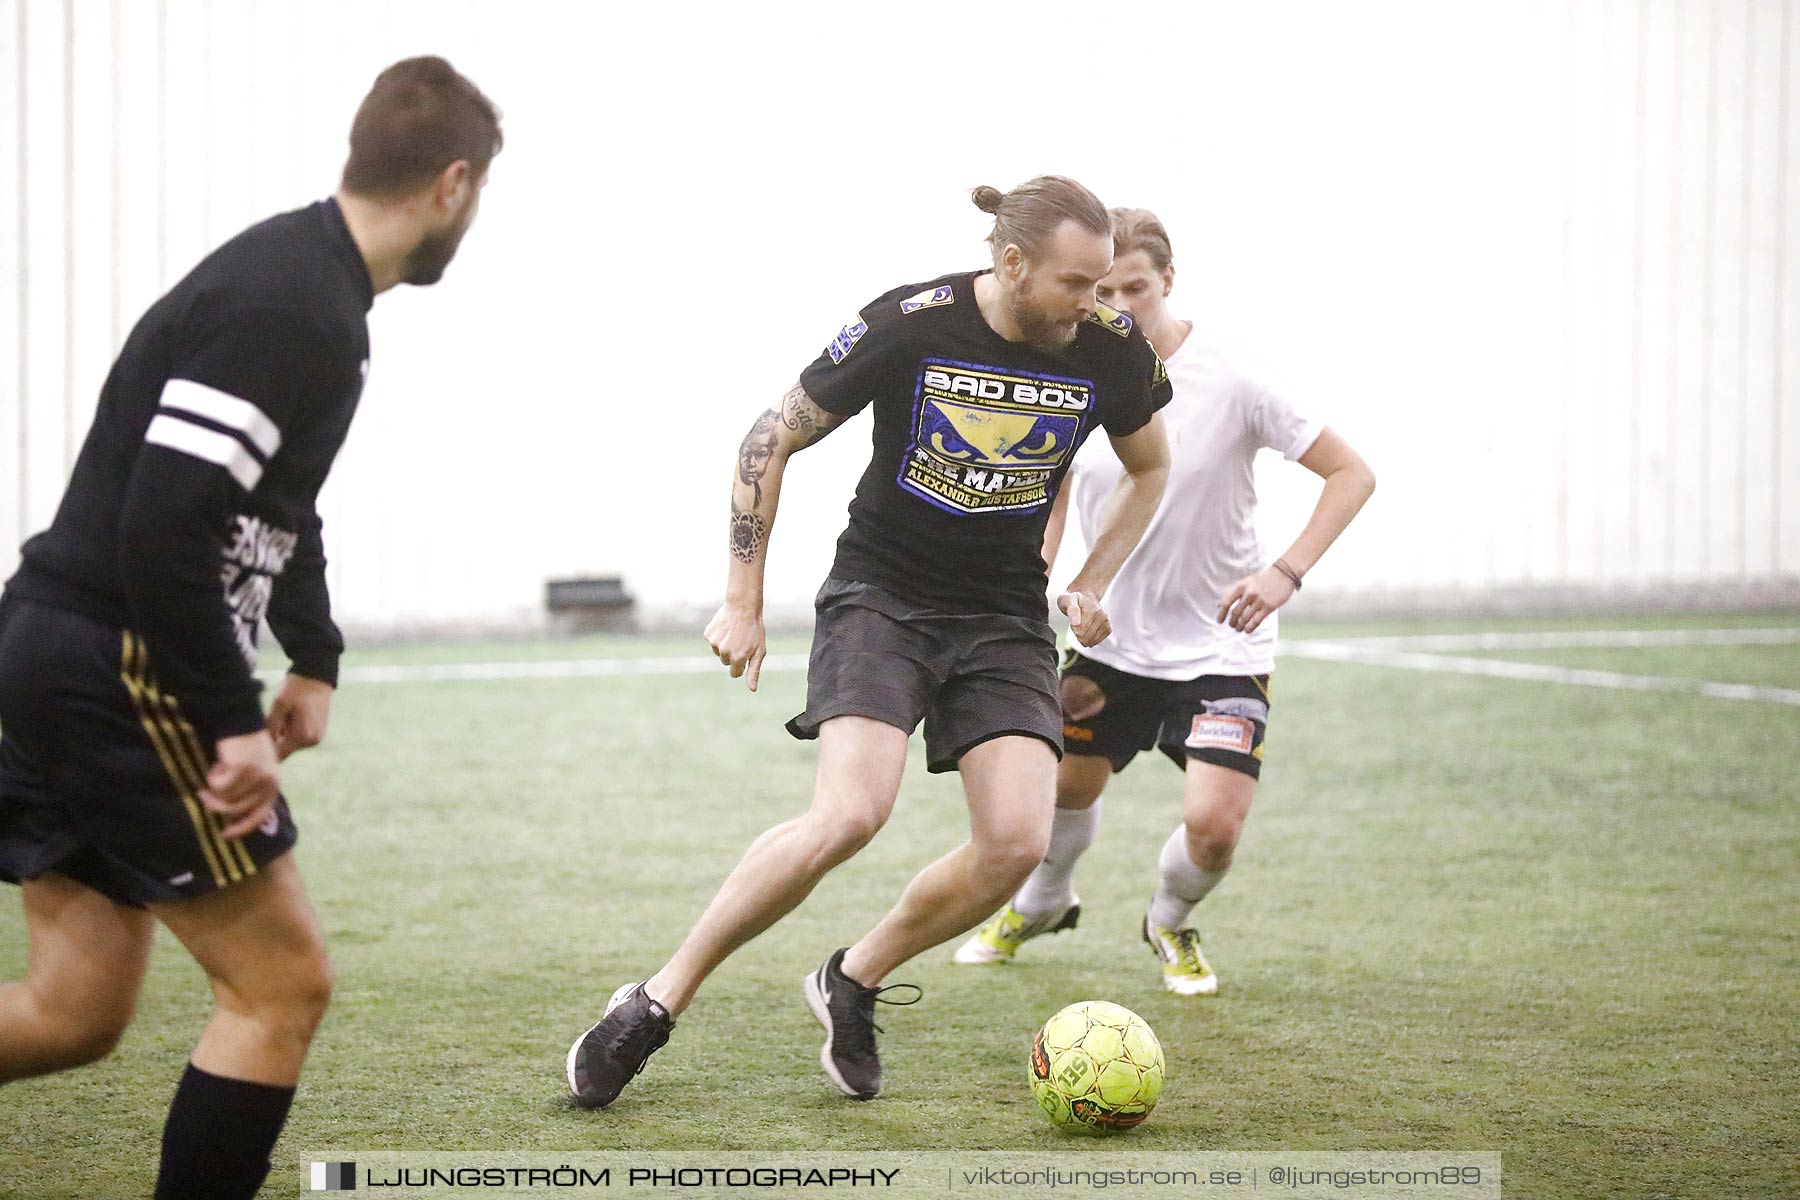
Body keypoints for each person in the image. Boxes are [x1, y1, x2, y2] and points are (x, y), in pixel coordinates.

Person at [0, 57, 500, 1200]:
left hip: (57, 647)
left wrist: (314, 654)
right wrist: (229, 721)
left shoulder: (309, 285)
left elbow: (269, 501)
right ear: (455, 185)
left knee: (71, 1014)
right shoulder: (296, 307)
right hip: (117, 664)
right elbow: (163, 527)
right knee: (282, 986)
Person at [567, 176, 1172, 1108]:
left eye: (1103, 286)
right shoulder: (909, 323)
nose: (1094, 305)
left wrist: (1089, 582)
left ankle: (853, 975)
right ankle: (653, 1000)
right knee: (849, 815)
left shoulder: (1110, 348)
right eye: (1075, 284)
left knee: (1016, 843)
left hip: (1005, 615)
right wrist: (742, 601)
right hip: (882, 596)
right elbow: (767, 440)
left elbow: (1149, 467)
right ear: (1010, 263)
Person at [953, 207, 1375, 995]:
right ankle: (1044, 901)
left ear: (1168, 281)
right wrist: (1038, 585)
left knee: (1214, 829)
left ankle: (1170, 921)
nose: (1114, 308)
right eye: (1100, 291)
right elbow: (1051, 488)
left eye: (1134, 288)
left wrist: (1283, 573)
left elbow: (1352, 473)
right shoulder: (1075, 367)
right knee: (1059, 798)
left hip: (1224, 644)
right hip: (1112, 642)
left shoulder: (1236, 376)